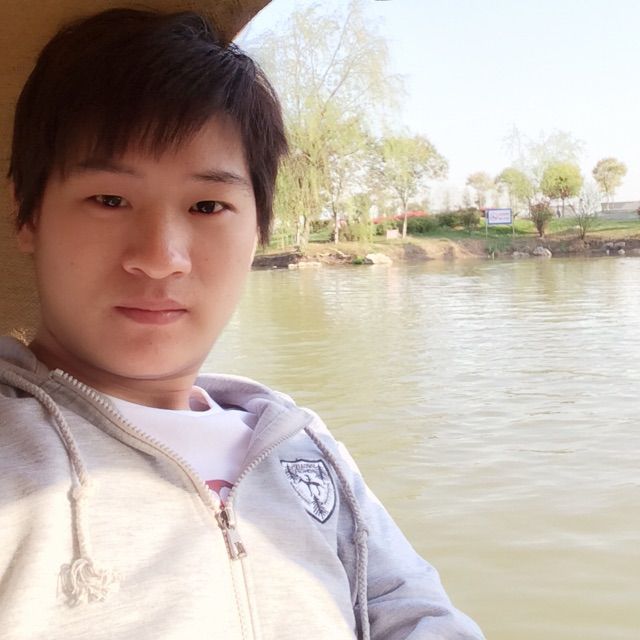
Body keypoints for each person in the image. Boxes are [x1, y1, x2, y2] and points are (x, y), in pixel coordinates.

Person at [0, 8, 485, 640]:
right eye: (109, 200)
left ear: (258, 230)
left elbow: (412, 612)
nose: (160, 257)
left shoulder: (302, 446)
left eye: (208, 205)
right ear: (28, 214)